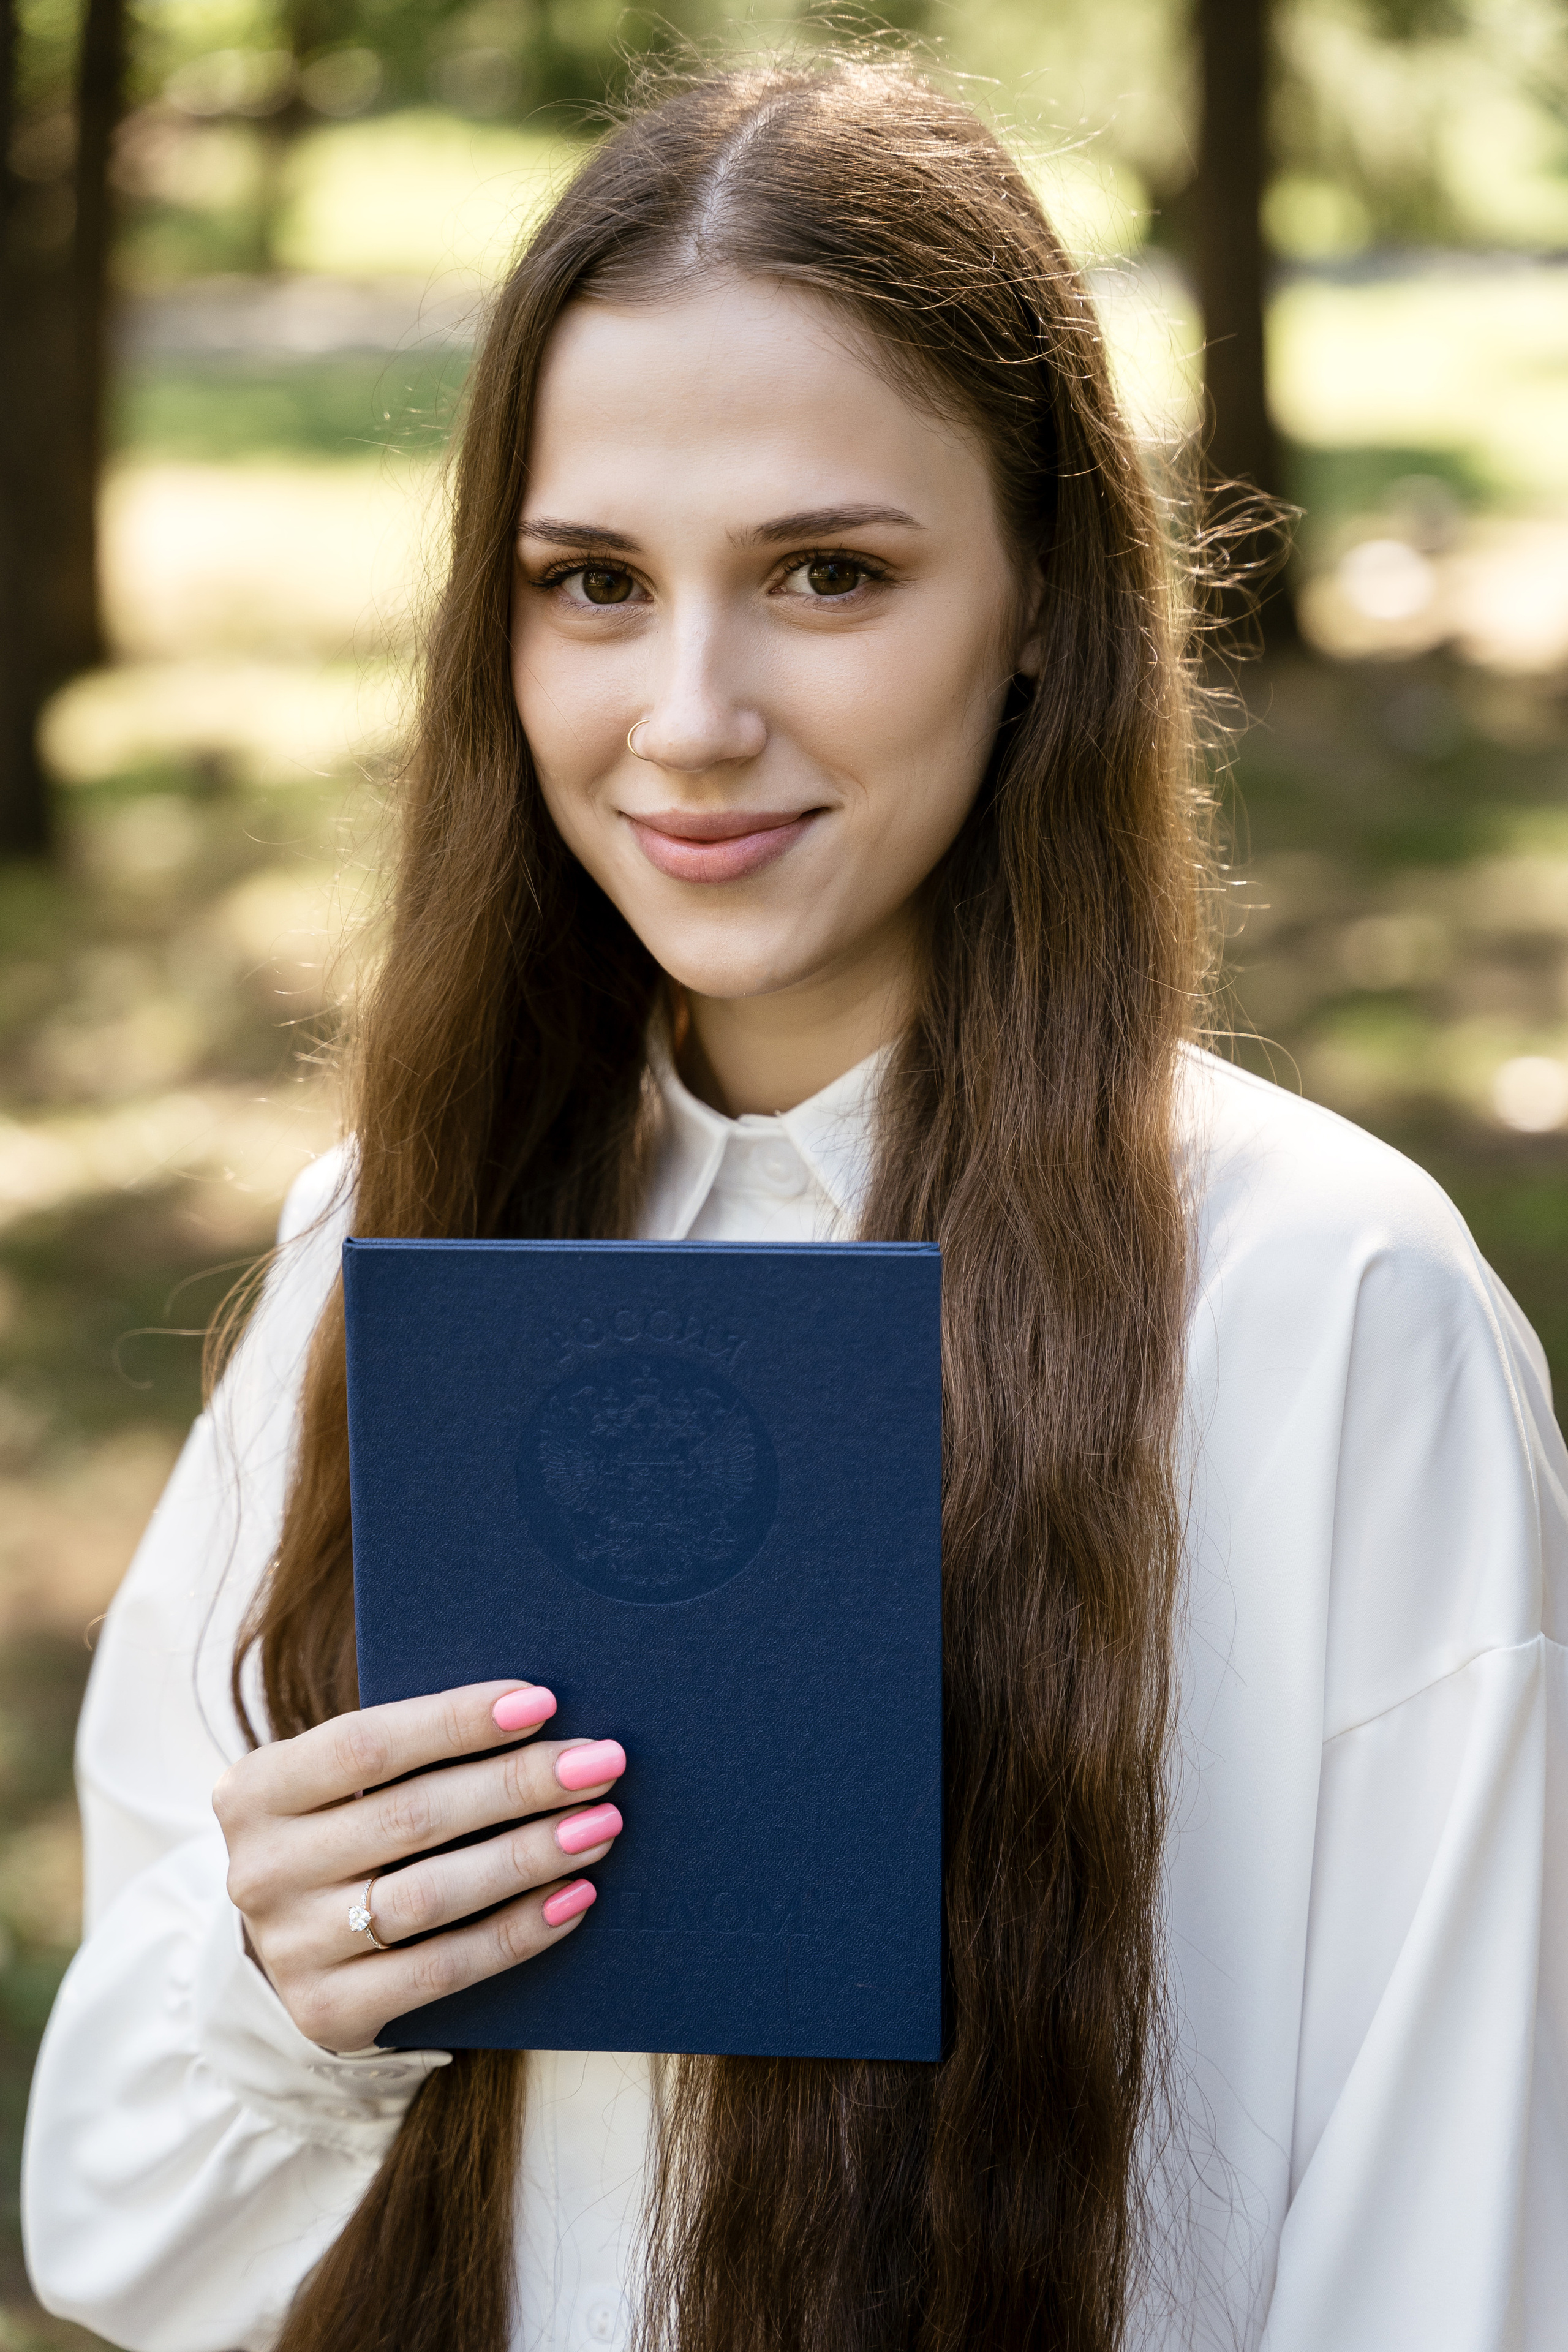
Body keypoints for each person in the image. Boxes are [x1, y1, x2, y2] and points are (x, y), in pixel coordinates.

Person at [20, 57, 1567, 2352]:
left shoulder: (1325, 1308)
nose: (689, 715)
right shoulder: (390, 1250)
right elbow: (116, 2236)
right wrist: (280, 1988)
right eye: (593, 584)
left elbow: (1457, 2257)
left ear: (1044, 601)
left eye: (828, 573)